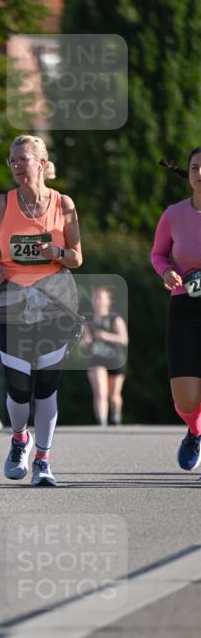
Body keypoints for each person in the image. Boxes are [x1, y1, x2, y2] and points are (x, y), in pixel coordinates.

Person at [0, 134, 83, 487]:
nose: (17, 166)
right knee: (19, 387)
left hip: (55, 301)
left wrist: (55, 252)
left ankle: (43, 458)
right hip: (12, 301)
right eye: (13, 160)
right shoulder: (2, 203)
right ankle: (19, 437)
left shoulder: (64, 203)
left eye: (24, 159)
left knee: (47, 387)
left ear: (41, 163)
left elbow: (77, 256)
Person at [151, 146, 201, 471]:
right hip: (184, 307)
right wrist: (167, 271)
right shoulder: (174, 214)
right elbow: (158, 255)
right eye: (196, 167)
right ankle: (195, 431)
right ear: (189, 174)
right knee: (186, 400)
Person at [83, 285, 128, 426]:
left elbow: (124, 339)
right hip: (96, 359)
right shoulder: (87, 321)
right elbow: (83, 343)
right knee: (100, 392)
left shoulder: (115, 319)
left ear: (109, 301)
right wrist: (85, 341)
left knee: (113, 396)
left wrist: (106, 335)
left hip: (115, 360)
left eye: (101, 298)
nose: (98, 301)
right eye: (96, 298)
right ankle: (102, 424)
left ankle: (116, 417)